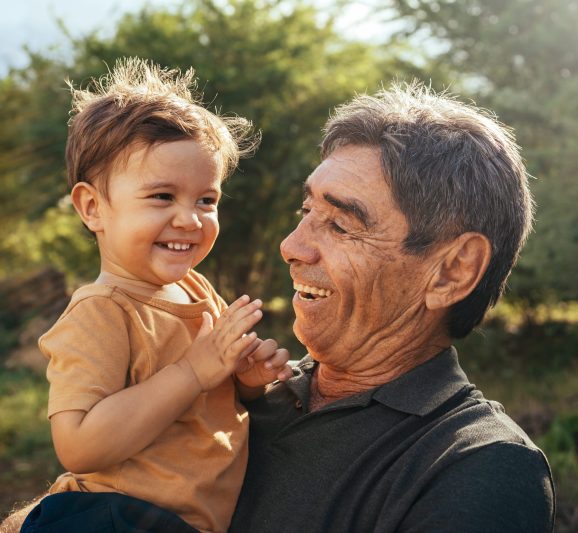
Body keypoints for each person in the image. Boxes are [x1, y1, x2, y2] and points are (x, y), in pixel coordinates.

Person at [229, 83, 556, 532]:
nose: (291, 246)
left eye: (341, 225)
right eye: (305, 211)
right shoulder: (240, 391)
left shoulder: (478, 468)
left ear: (452, 271)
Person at [0, 58, 292, 533]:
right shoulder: (101, 311)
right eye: (162, 197)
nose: (190, 219)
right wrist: (193, 370)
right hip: (113, 519)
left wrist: (246, 380)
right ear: (92, 207)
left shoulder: (197, 291)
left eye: (206, 200)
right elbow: (78, 446)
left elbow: (205, 401)